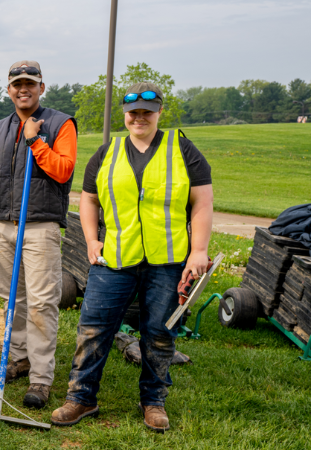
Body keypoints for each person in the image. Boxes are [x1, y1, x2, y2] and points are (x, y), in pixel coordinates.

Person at [51, 82, 212, 432]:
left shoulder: (182, 149)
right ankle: (81, 397)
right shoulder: (107, 151)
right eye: (133, 112)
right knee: (93, 328)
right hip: (115, 261)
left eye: (147, 112)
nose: (140, 118)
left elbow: (202, 202)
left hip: (167, 263)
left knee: (158, 333)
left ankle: (153, 401)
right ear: (125, 114)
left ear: (159, 113)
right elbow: (88, 199)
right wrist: (92, 241)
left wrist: (198, 251)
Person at [0, 60, 78, 409]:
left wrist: (36, 142)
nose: (23, 89)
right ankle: (18, 357)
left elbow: (63, 171)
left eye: (30, 83)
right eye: (17, 83)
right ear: (9, 90)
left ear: (41, 88)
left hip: (38, 226)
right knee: (11, 297)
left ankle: (41, 377)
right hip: (0, 225)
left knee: (41, 302)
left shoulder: (61, 124)